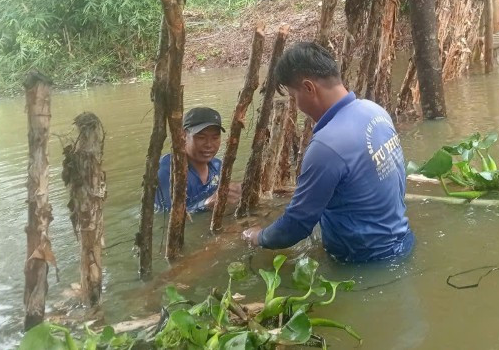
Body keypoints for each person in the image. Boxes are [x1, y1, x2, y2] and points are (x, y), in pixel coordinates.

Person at [241, 42, 414, 263]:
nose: (297, 105)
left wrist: (257, 236)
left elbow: (295, 227)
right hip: (403, 242)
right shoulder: (374, 110)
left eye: (294, 96)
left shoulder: (327, 146)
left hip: (364, 262)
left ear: (309, 88)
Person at [155, 107, 226, 213]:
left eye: (215, 138)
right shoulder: (167, 169)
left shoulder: (217, 166)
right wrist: (206, 203)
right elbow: (169, 215)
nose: (209, 145)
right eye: (201, 137)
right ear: (183, 135)